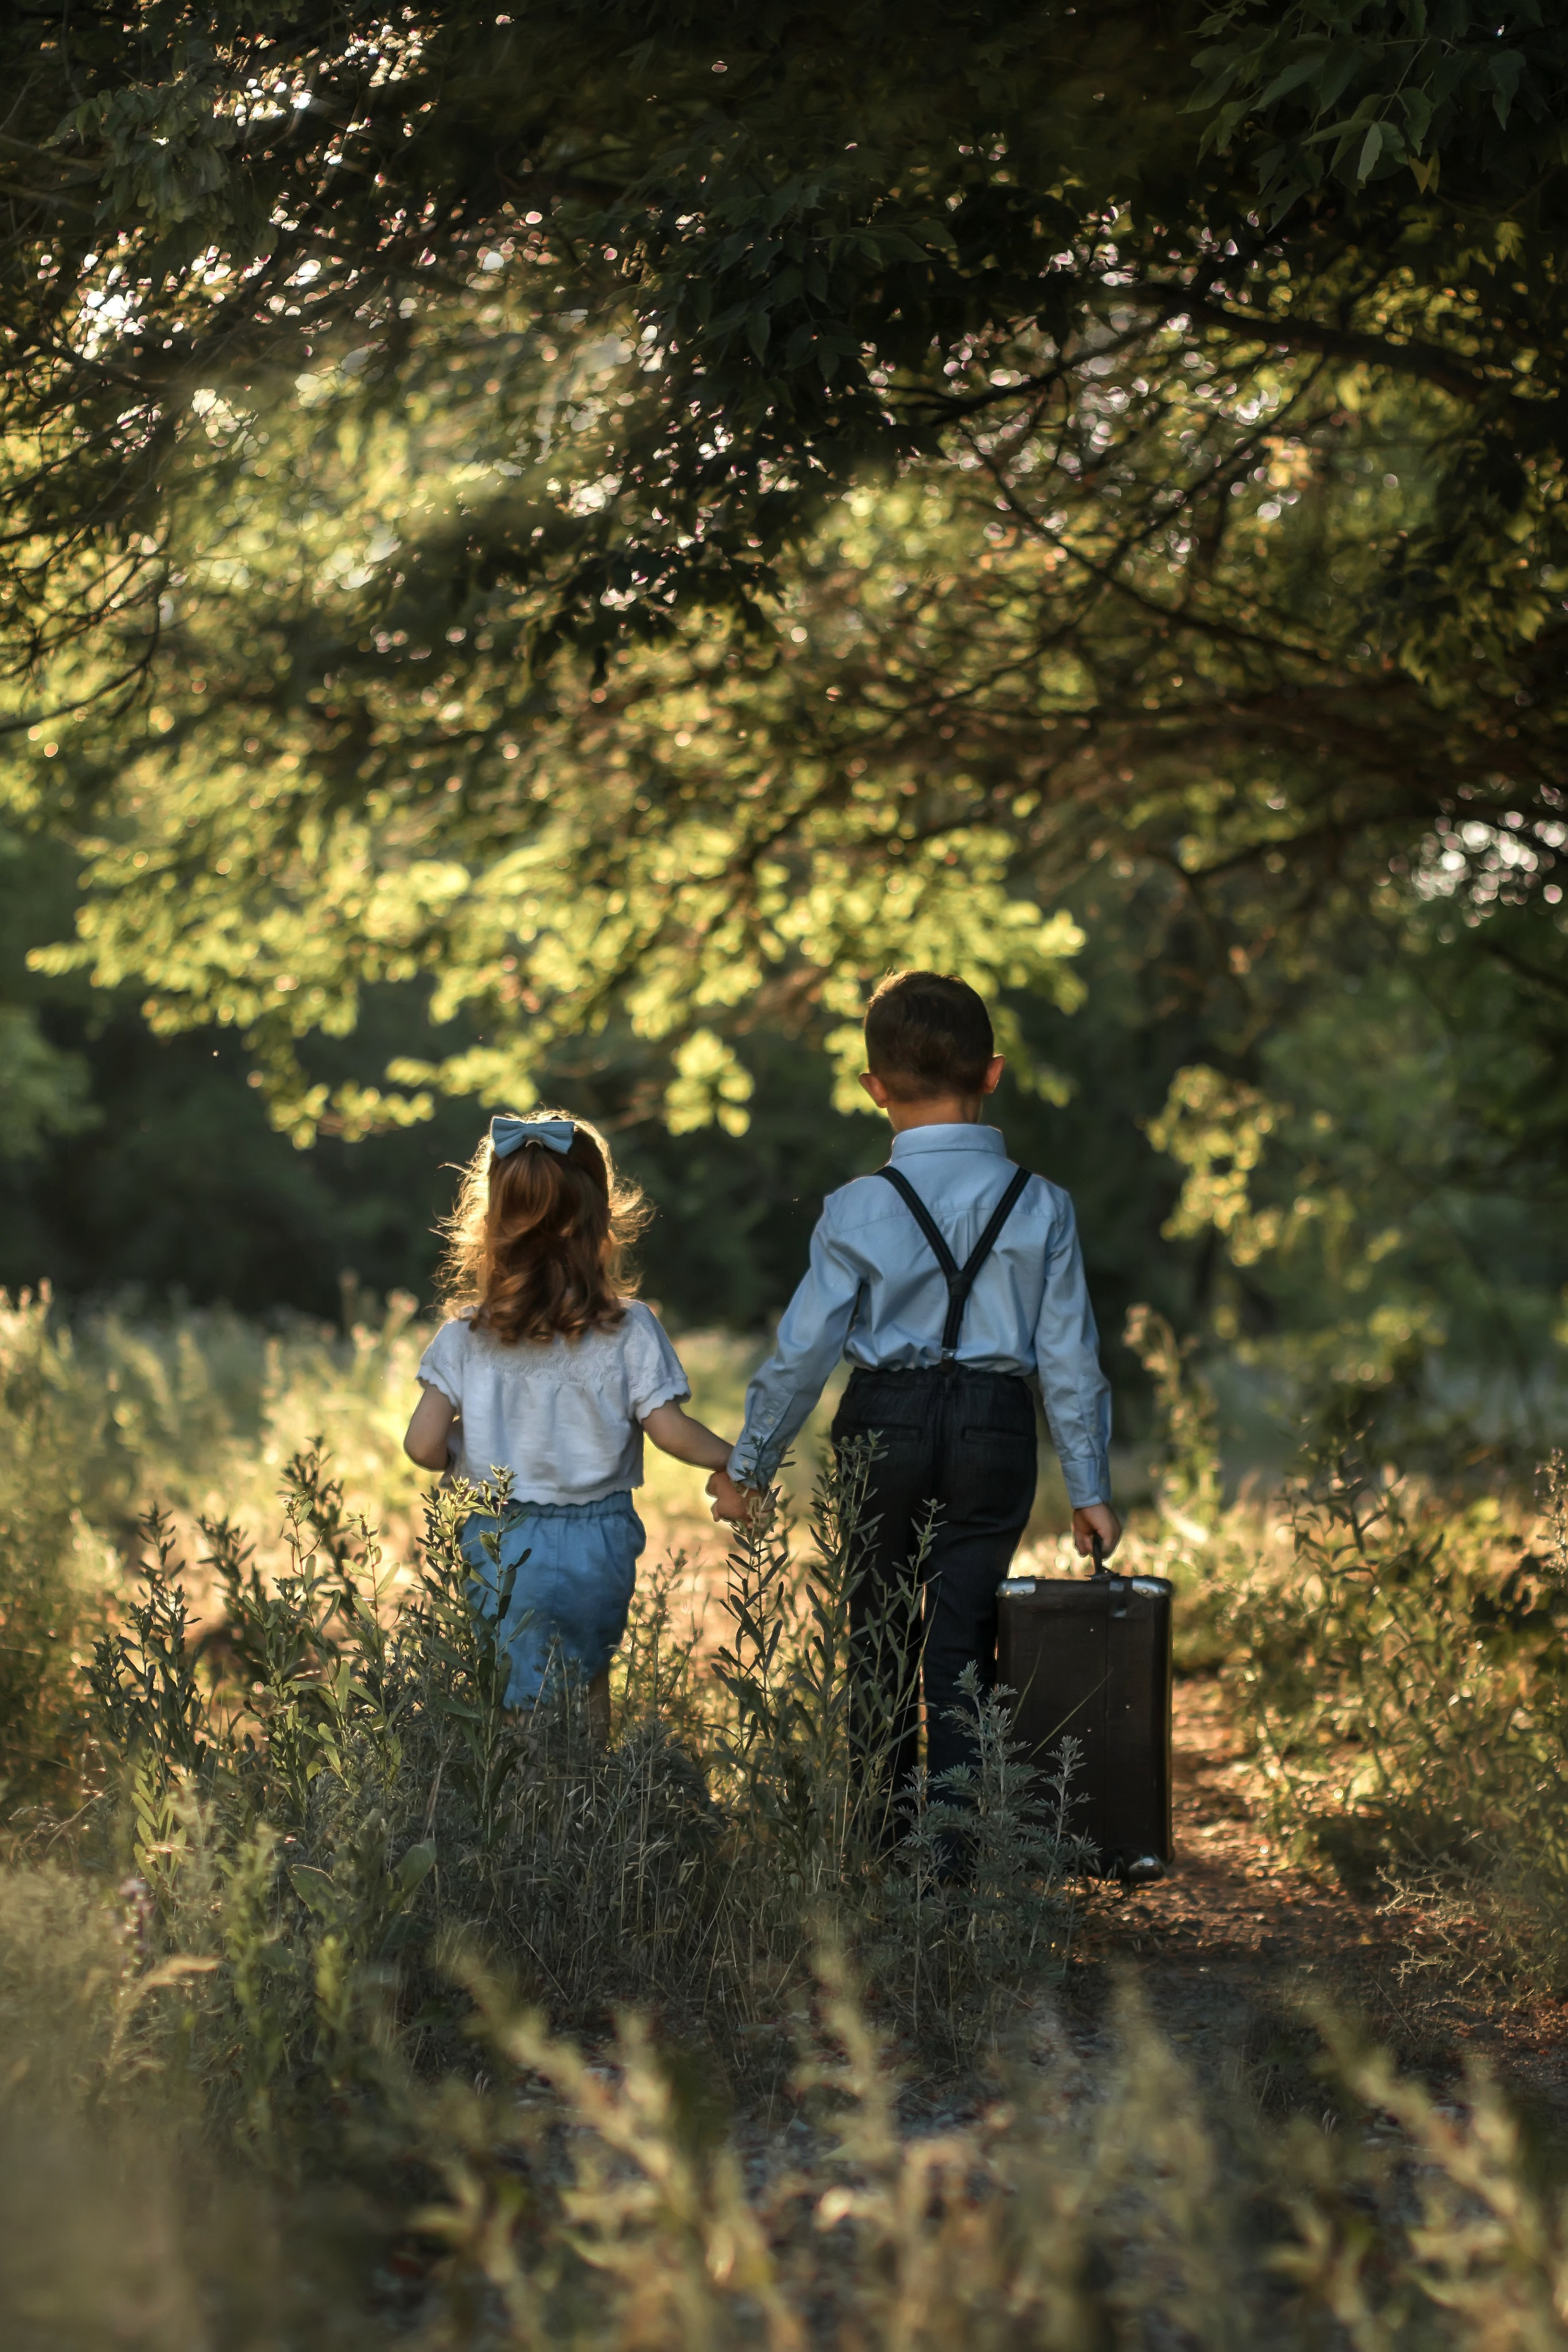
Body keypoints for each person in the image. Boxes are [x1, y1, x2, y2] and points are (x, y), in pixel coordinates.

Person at [708, 969, 1121, 1810]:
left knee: (878, 1643)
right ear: (993, 1074)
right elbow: (1070, 1358)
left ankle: (881, 1840)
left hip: (881, 1424)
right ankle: (962, 1850)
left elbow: (803, 1353)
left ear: (874, 1088)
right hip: (994, 1428)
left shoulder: (855, 1208)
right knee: (964, 1641)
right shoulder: (1043, 1206)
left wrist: (750, 1466)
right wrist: (1090, 1488)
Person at [404, 1113, 737, 1730]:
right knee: (586, 1679)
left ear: (491, 1224)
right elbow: (670, 1430)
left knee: (509, 1689)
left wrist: (464, 1448)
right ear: (600, 1222)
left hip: (498, 1536)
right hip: (598, 1538)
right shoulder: (630, 1328)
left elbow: (423, 1446)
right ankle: (585, 1783)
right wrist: (734, 1459)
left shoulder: (464, 1337)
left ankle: (519, 1786)